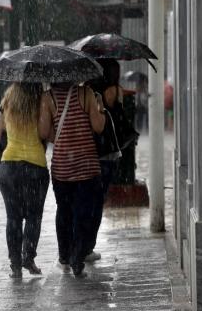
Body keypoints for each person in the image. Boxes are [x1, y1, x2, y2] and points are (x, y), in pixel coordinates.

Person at [39, 82, 105, 277]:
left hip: (62, 168)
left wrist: (61, 137)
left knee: (64, 211)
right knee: (84, 213)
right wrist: (100, 107)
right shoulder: (86, 93)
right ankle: (78, 257)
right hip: (86, 165)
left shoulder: (48, 98)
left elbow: (43, 132)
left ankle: (65, 255)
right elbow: (98, 126)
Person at [0, 82, 52, 278]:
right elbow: (44, 132)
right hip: (34, 166)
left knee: (13, 217)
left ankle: (15, 265)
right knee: (33, 217)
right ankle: (28, 258)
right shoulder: (41, 99)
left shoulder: (8, 98)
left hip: (8, 166)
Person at [85, 60, 125, 263]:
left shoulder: (87, 91)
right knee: (98, 202)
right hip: (106, 152)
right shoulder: (113, 91)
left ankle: (79, 243)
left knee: (85, 201)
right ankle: (88, 245)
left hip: (88, 151)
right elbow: (117, 118)